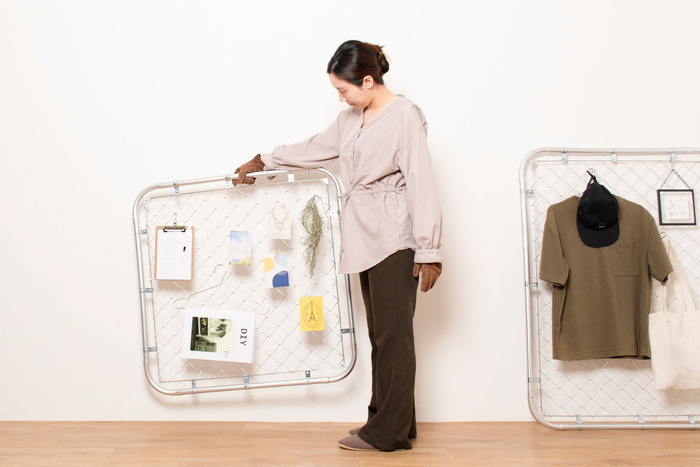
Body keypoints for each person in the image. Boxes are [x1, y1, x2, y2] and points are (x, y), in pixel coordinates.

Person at [233, 40, 443, 452]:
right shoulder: (351, 120)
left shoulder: (405, 115)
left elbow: (422, 180)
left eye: (344, 90)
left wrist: (429, 250)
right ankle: (391, 422)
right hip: (364, 235)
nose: (341, 98)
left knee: (395, 337)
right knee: (381, 336)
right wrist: (264, 159)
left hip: (396, 237)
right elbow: (314, 149)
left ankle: (388, 433)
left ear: (368, 80)